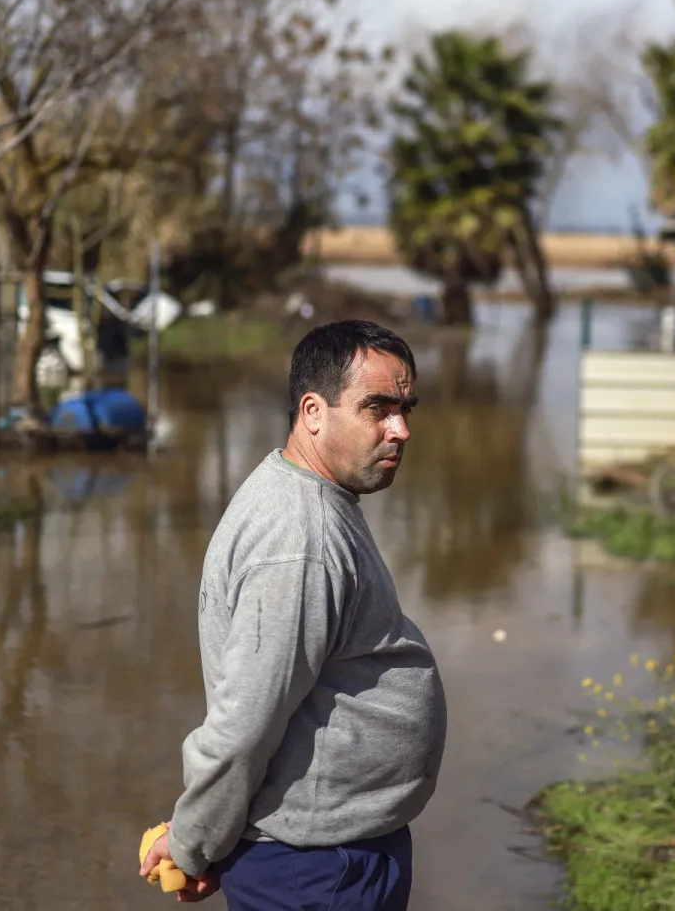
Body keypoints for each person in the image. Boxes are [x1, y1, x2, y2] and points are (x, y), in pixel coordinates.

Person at [138, 320, 448, 910]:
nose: (401, 429)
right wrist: (195, 841)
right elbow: (244, 723)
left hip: (333, 854)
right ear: (313, 411)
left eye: (405, 408)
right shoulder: (297, 539)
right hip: (316, 871)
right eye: (377, 409)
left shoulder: (316, 496)